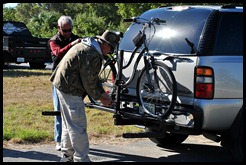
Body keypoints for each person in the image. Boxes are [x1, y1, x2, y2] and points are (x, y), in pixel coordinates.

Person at [49, 30, 120, 162]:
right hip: (70, 89)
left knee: (68, 123)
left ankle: (67, 155)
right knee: (78, 125)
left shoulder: (88, 46)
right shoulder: (91, 53)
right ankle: (81, 158)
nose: (110, 52)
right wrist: (102, 98)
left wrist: (102, 94)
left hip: (62, 85)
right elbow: (89, 83)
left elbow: (92, 78)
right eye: (111, 48)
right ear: (105, 44)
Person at [49, 15, 81, 151]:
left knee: (73, 110)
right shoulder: (53, 41)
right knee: (58, 110)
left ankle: (70, 140)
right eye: (65, 30)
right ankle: (58, 139)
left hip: (73, 79)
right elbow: (58, 53)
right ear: (59, 28)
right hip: (58, 78)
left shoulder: (76, 38)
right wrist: (72, 45)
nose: (68, 33)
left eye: (70, 30)